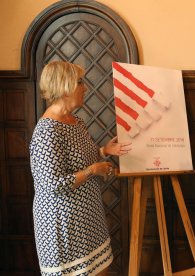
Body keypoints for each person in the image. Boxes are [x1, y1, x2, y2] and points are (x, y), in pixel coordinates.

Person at [30, 61, 132, 275]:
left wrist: (104, 151)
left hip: (88, 219)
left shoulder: (76, 121)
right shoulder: (47, 131)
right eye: (80, 82)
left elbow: (82, 159)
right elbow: (51, 185)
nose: (85, 87)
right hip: (65, 226)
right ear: (64, 86)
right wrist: (93, 171)